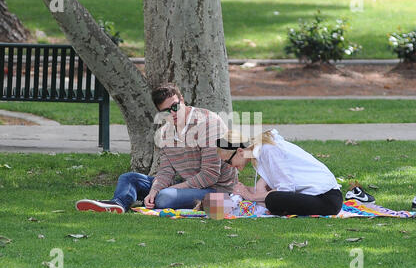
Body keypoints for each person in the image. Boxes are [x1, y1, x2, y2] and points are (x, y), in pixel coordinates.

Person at [76, 83, 237, 213]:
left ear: (182, 100)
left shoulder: (208, 123)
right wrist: (154, 190)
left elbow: (209, 176)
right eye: (166, 111)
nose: (172, 113)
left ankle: (153, 199)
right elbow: (166, 170)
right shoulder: (165, 133)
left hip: (216, 190)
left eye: (175, 106)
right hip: (187, 185)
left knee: (165, 198)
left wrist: (169, 189)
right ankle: (118, 204)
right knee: (129, 178)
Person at [215, 129, 343, 216]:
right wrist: (246, 190)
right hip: (315, 196)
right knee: (271, 198)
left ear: (239, 151)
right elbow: (274, 186)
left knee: (274, 200)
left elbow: (285, 189)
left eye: (228, 162)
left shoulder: (269, 150)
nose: (230, 166)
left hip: (327, 200)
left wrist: (250, 196)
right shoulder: (260, 153)